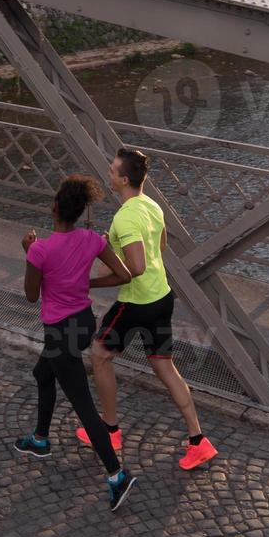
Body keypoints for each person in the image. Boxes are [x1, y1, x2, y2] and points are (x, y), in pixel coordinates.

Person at [76, 148, 218, 470]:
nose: (109, 174)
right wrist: (118, 248)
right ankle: (198, 441)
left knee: (99, 354)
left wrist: (91, 283)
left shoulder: (125, 217)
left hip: (136, 301)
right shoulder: (151, 205)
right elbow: (162, 245)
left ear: (124, 179)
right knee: (165, 367)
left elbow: (136, 267)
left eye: (113, 171)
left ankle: (110, 431)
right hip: (162, 297)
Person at [14, 174, 137, 512]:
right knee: (43, 373)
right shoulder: (93, 240)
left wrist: (29, 253)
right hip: (84, 324)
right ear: (81, 211)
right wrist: (87, 283)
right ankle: (39, 439)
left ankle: (116, 475)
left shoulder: (40, 249)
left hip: (59, 332)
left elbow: (29, 295)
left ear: (55, 208)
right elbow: (125, 275)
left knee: (83, 406)